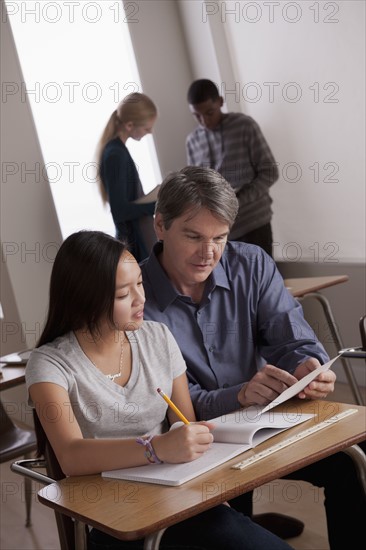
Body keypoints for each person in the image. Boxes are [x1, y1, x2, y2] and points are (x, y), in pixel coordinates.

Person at [140, 166, 366, 550]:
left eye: (220, 237)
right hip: (192, 445)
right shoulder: (135, 299)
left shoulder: (251, 264)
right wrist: (240, 395)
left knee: (353, 462)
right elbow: (167, 409)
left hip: (265, 422)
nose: (208, 253)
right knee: (233, 525)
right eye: (193, 236)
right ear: (160, 225)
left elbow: (292, 337)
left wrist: (308, 365)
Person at [25, 230, 294, 550]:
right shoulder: (49, 364)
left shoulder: (157, 337)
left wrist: (189, 445)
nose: (141, 299)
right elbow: (70, 456)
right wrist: (157, 447)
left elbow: (185, 421)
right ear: (86, 299)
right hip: (113, 517)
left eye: (140, 283)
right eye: (124, 294)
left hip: (177, 497)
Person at [186, 78, 278, 257]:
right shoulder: (192, 141)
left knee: (263, 283)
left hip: (255, 223)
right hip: (219, 234)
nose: (204, 121)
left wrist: (238, 201)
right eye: (197, 116)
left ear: (220, 102)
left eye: (209, 112)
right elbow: (195, 187)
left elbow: (270, 172)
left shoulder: (245, 126)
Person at [96, 92, 158, 262]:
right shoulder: (115, 154)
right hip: (134, 246)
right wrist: (156, 205)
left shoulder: (118, 150)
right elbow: (120, 211)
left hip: (135, 243)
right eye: (147, 128)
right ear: (130, 125)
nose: (150, 132)